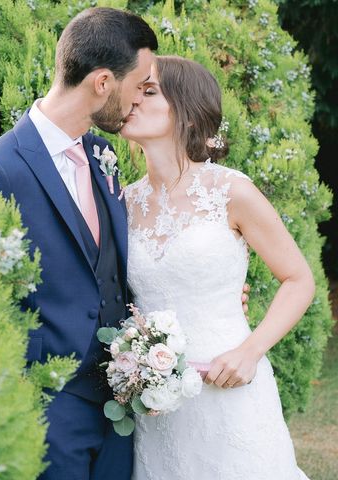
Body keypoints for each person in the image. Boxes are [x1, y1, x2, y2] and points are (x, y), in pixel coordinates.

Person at [0, 7, 157, 479]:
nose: (140, 99)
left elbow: (115, 264)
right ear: (102, 82)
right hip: (47, 408)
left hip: (120, 405)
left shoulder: (103, 156)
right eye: (139, 86)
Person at [120, 55, 313, 479]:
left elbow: (299, 279)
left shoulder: (231, 191)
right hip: (156, 403)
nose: (133, 100)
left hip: (229, 384)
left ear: (187, 114)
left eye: (149, 92)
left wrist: (251, 351)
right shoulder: (122, 202)